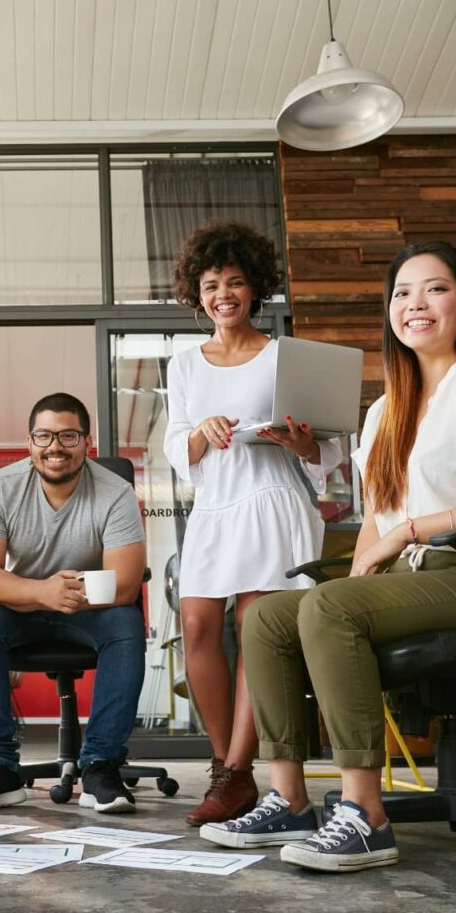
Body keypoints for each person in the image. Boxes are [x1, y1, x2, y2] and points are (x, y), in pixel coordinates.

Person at [202, 241, 456, 872]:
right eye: (402, 293)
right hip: (419, 578)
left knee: (331, 609)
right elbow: (377, 524)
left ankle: (366, 815)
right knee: (268, 615)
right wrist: (364, 564)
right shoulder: (386, 408)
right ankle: (288, 798)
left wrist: (408, 533)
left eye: (436, 289)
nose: (416, 303)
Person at [163, 221, 342, 827]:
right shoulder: (184, 364)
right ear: (197, 293)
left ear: (255, 288)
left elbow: (327, 447)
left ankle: (235, 774)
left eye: (235, 282)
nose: (224, 294)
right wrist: (199, 433)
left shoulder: (285, 357)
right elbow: (172, 444)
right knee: (196, 624)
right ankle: (227, 770)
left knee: (255, 630)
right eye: (211, 284)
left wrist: (299, 442)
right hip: (216, 504)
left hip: (274, 499)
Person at [0, 393, 148, 815]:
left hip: (90, 611)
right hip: (22, 608)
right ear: (30, 441)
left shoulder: (116, 492)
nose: (56, 446)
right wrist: (41, 592)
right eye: (45, 435)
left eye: (68, 435)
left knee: (126, 622)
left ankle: (100, 766)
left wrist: (63, 594)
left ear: (86, 443)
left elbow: (126, 584)